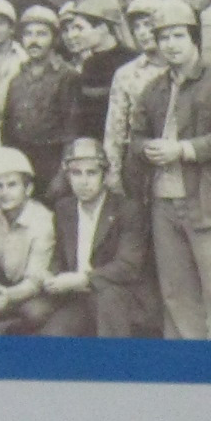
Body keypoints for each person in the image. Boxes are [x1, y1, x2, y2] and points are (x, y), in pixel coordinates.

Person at [125, 0, 211, 340]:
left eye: (178, 36)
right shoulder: (153, 89)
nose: (170, 45)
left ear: (194, 37)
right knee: (176, 296)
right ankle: (190, 363)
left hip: (210, 204)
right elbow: (135, 137)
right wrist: (147, 148)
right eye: (163, 37)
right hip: (164, 205)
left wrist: (182, 149)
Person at [42, 136, 153, 336]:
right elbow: (59, 256)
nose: (83, 181)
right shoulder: (64, 208)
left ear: (105, 175)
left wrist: (83, 279)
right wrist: (51, 275)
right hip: (80, 299)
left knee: (108, 300)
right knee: (53, 336)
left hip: (118, 297)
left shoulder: (127, 210)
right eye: (76, 173)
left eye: (91, 173)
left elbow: (128, 267)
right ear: (67, 176)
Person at [0, 145, 58, 333]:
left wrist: (8, 295)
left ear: (28, 188)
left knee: (35, 313)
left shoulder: (42, 221)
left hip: (30, 288)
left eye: (12, 185)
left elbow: (34, 281)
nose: (4, 192)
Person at [3, 1, 76, 195]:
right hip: (23, 164)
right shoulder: (17, 80)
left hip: (52, 163)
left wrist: (62, 175)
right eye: (28, 34)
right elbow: (8, 131)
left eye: (41, 34)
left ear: (54, 39)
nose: (33, 40)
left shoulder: (67, 77)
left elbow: (72, 131)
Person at [55, 0, 128, 163]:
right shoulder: (89, 65)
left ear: (102, 28)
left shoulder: (130, 62)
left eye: (79, 28)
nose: (73, 35)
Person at [104, 0, 169, 185]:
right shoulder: (126, 74)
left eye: (148, 25)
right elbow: (115, 128)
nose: (142, 33)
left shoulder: (181, 69)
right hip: (139, 161)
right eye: (137, 27)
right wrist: (113, 171)